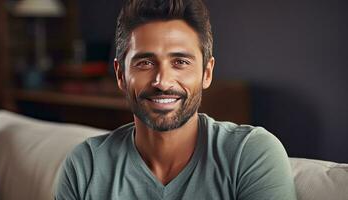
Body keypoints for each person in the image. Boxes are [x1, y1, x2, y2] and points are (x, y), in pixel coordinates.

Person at [55, 0, 297, 199]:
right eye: (145, 63)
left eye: (180, 62)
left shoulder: (251, 154)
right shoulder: (85, 166)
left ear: (207, 73)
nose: (162, 81)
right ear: (121, 75)